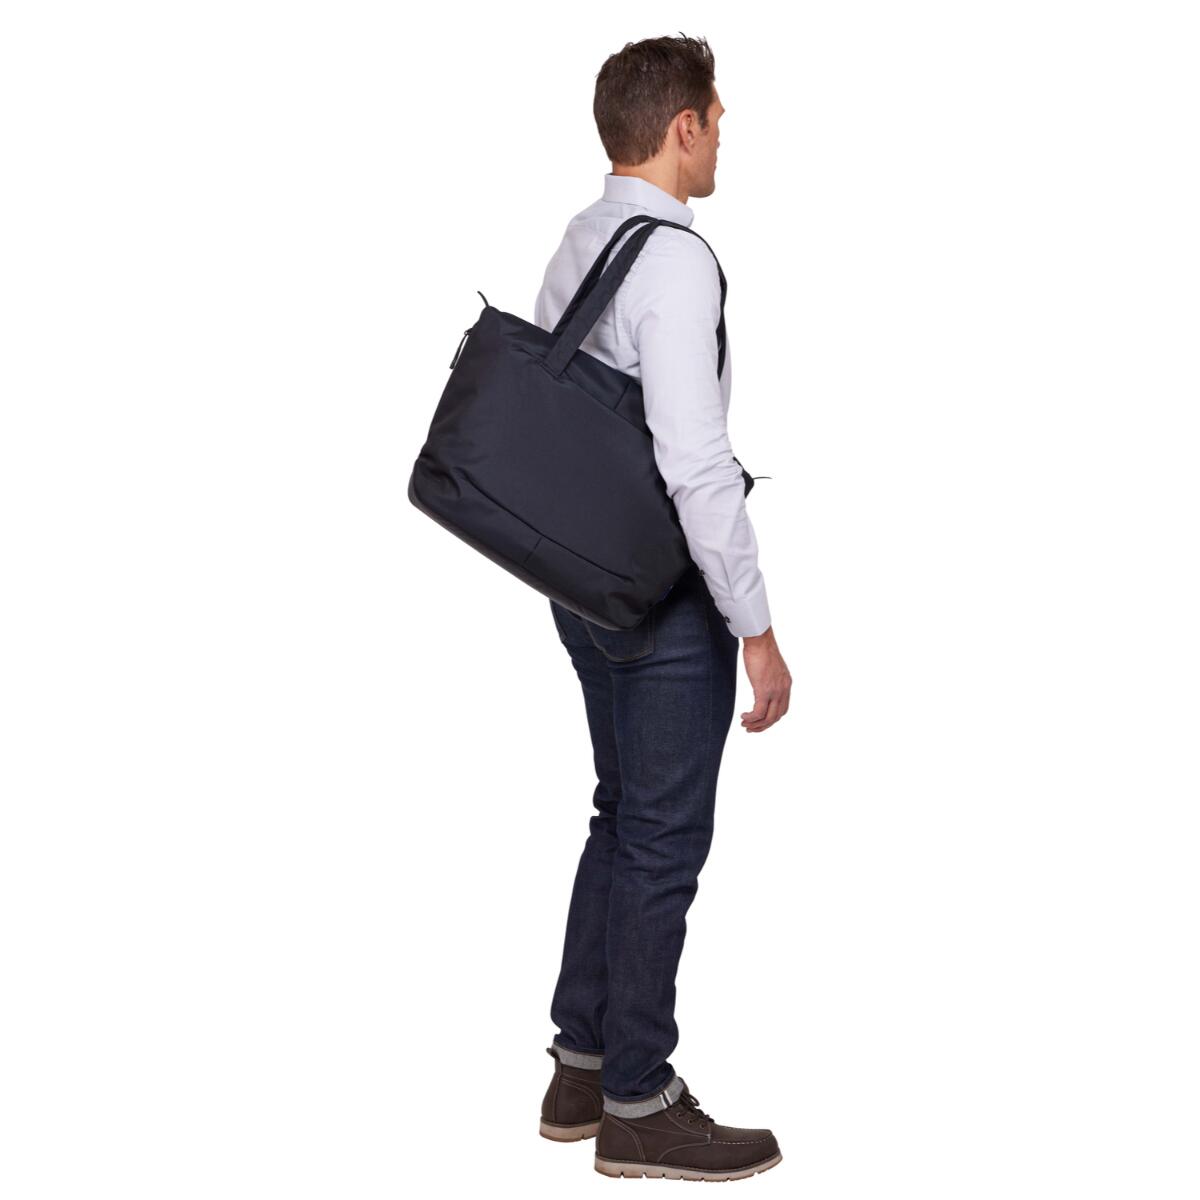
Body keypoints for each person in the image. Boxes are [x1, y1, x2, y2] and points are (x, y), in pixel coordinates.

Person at [533, 35, 792, 1182]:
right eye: (717, 119)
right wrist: (757, 629)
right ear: (682, 127)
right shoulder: (677, 261)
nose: (723, 134)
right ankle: (639, 1102)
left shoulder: (582, 238)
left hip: (579, 580)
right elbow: (693, 462)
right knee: (661, 840)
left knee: (620, 813)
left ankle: (580, 1066)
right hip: (658, 595)